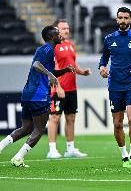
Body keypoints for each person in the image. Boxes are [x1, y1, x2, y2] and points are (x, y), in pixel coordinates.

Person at [0, 26, 75, 167]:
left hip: (28, 94)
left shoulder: (47, 51)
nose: (60, 35)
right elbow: (36, 64)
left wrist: (64, 70)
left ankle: (1, 146)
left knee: (26, 127)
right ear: (52, 37)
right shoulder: (46, 49)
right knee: (39, 129)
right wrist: (51, 75)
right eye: (57, 33)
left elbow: (48, 70)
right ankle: (18, 158)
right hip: (38, 95)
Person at [99, 7, 131, 168]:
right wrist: (102, 67)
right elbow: (103, 58)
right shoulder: (109, 39)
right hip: (115, 85)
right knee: (117, 123)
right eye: (120, 18)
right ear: (116, 20)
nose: (123, 20)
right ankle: (124, 155)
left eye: (126, 18)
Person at [47, 19, 91, 159]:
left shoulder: (70, 45)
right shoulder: (53, 47)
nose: (66, 30)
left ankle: (70, 148)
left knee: (71, 118)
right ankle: (52, 149)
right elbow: (53, 68)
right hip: (59, 89)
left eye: (67, 28)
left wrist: (82, 72)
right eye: (63, 28)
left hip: (72, 88)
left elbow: (72, 63)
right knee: (55, 118)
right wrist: (58, 87)